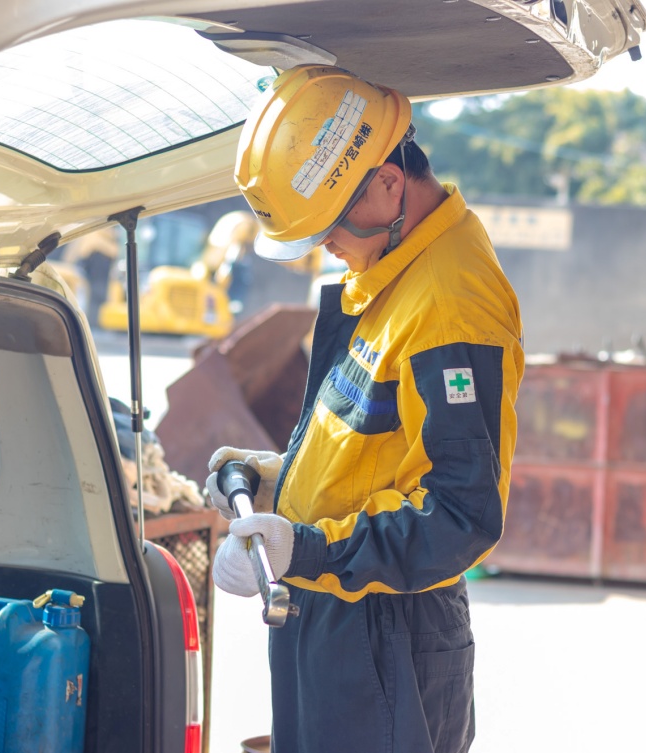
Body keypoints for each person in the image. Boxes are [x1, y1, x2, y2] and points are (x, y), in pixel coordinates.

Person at [206, 65, 524, 753]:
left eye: (329, 227)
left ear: (387, 183)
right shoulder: (390, 270)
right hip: (343, 612)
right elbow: (374, 439)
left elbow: (463, 513)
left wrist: (308, 545)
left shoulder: (451, 305)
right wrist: (277, 478)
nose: (325, 246)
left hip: (387, 630)